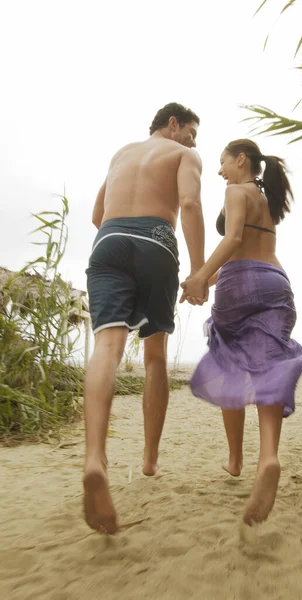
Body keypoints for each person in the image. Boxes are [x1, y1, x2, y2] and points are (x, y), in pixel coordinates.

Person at [84, 102, 207, 534]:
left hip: (109, 239)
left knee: (107, 347)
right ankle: (150, 460)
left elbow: (97, 216)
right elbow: (189, 205)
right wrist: (199, 271)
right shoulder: (183, 156)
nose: (194, 142)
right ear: (172, 125)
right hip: (156, 238)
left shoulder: (121, 153)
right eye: (191, 132)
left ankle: (95, 459)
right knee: (155, 355)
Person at [181, 139, 302, 526]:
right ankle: (267, 457)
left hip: (241, 285)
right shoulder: (266, 200)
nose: (219, 171)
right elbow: (246, 249)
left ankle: (235, 460)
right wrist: (205, 281)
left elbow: (232, 239)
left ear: (240, 160)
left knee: (229, 366)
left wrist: (199, 275)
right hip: (275, 281)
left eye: (222, 162)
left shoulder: (236, 190)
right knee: (269, 368)